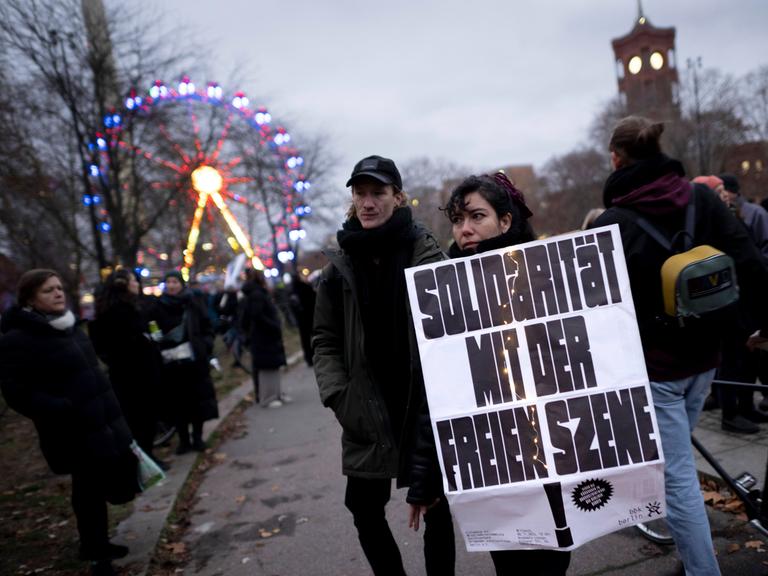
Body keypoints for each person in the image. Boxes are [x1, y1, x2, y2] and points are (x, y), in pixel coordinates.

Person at [594, 116, 768, 576]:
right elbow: (749, 262)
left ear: (616, 158)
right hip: (708, 359)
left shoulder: (612, 222)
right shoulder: (702, 198)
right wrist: (758, 326)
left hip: (657, 370)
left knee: (677, 480)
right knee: (675, 466)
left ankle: (701, 570)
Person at [312, 155, 454, 575]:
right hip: (366, 408)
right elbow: (324, 339)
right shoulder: (338, 268)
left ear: (397, 196)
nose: (368, 202)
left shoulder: (426, 254)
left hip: (421, 405)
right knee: (363, 508)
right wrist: (339, 394)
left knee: (437, 507)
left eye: (378, 193)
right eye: (360, 194)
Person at [437, 172, 571, 575]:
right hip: (488, 448)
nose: (465, 229)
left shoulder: (546, 275)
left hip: (550, 440)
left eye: (477, 216)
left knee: (554, 548)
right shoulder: (443, 289)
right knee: (508, 560)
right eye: (458, 221)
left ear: (506, 221)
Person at [0, 269, 138, 576]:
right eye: (48, 290)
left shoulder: (70, 327)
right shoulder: (18, 339)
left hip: (99, 423)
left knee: (98, 485)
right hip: (70, 430)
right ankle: (97, 555)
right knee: (87, 491)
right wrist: (62, 408)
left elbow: (93, 376)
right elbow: (17, 393)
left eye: (59, 288)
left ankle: (98, 544)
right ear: (30, 299)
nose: (58, 293)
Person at [692, 175, 768, 432]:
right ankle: (730, 413)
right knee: (731, 360)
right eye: (719, 190)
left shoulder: (733, 218)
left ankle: (746, 407)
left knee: (749, 358)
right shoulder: (709, 226)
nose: (725, 194)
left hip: (748, 298)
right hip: (729, 302)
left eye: (725, 190)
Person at [90, 269, 167, 467]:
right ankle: (143, 461)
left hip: (136, 373)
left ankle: (146, 458)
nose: (137, 284)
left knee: (143, 419)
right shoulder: (120, 312)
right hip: (134, 376)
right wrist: (143, 342)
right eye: (134, 280)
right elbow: (117, 345)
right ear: (124, 284)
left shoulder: (128, 307)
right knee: (140, 420)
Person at [150, 271, 218, 454]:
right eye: (168, 282)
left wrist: (205, 345)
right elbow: (152, 330)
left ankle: (197, 438)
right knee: (178, 404)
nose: (171, 285)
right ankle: (183, 441)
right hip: (172, 365)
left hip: (194, 362)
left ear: (181, 284)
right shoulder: (157, 307)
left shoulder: (193, 303)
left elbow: (206, 326)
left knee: (197, 401)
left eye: (175, 281)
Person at [240, 268, 287, 407]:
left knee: (271, 366)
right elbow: (257, 315)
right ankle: (268, 398)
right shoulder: (257, 294)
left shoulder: (255, 293)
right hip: (264, 336)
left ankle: (275, 395)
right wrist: (274, 325)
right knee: (268, 367)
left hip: (263, 336)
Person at [289, 273, 317, 367]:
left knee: (305, 340)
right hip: (310, 317)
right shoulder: (305, 287)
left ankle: (309, 358)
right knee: (315, 337)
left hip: (301, 320)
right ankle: (318, 355)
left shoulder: (292, 291)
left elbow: (292, 307)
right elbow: (314, 299)